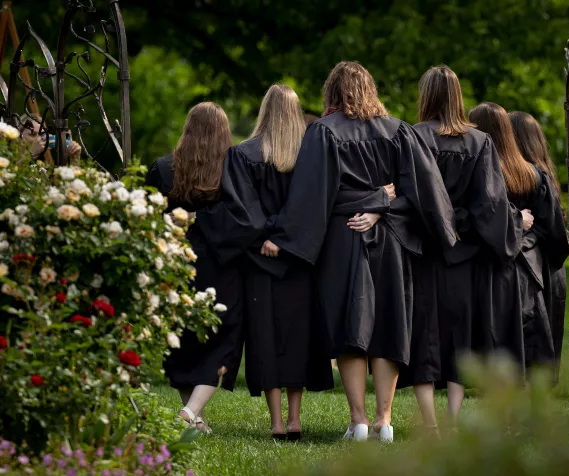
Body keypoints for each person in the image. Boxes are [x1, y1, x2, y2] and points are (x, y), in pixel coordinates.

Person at [260, 61, 457, 442]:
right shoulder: (398, 131)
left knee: (348, 325)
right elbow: (423, 192)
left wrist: (284, 237)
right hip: (393, 238)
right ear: (370, 89)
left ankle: (359, 420)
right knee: (389, 323)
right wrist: (381, 203)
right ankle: (385, 419)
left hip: (340, 237)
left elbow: (311, 196)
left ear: (332, 92)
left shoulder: (322, 132)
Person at [397, 66, 527, 432]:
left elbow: (408, 195)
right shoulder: (479, 141)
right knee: (460, 336)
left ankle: (431, 423)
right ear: (457, 95)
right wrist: (464, 227)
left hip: (423, 251)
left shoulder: (413, 136)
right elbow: (490, 203)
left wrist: (437, 226)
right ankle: (452, 419)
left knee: (424, 334)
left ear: (426, 95)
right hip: (466, 256)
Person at [230, 84, 333, 440]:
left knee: (266, 338)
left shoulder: (242, 154)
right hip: (299, 260)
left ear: (264, 111)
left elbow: (243, 210)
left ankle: (275, 422)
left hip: (259, 259)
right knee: (297, 337)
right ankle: (294, 418)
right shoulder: (310, 155)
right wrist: (286, 240)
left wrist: (264, 237)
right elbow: (313, 207)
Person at [146, 102, 250, 434]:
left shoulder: (162, 169)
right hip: (221, 268)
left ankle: (192, 412)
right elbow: (246, 221)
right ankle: (192, 412)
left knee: (182, 340)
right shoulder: (233, 171)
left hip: (175, 266)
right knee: (225, 340)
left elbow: (147, 220)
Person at [469, 103, 569, 375]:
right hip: (530, 268)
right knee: (530, 341)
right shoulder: (534, 176)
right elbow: (555, 234)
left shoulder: (480, 175)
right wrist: (524, 233)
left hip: (489, 267)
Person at [509, 111, 568, 383]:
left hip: (532, 264)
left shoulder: (529, 177)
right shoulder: (542, 176)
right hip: (544, 263)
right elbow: (556, 233)